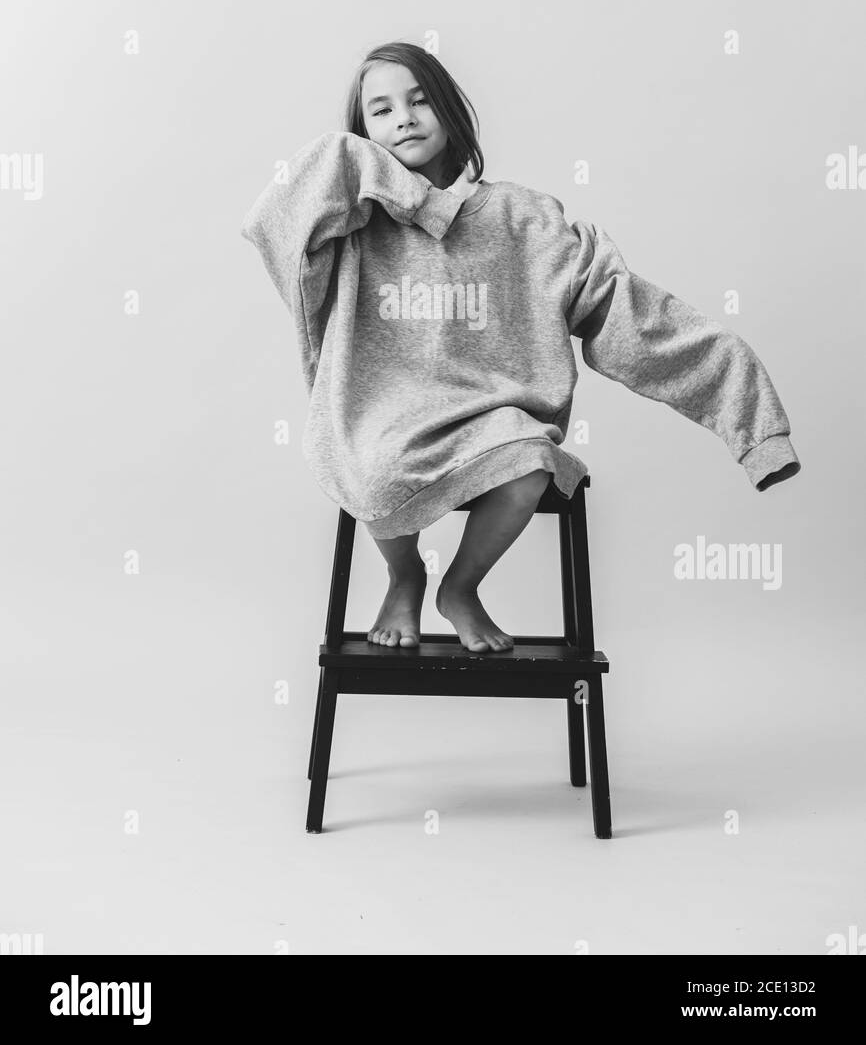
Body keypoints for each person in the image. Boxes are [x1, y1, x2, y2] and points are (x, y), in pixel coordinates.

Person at [241, 41, 801, 653]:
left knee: (530, 460)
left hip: (491, 413)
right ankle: (405, 575)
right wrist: (394, 189)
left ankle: (460, 587)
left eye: (420, 100)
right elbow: (276, 220)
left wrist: (755, 426)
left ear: (453, 112)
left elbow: (636, 318)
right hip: (379, 409)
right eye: (380, 110)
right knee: (370, 471)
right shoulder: (351, 224)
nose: (403, 117)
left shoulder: (525, 219)